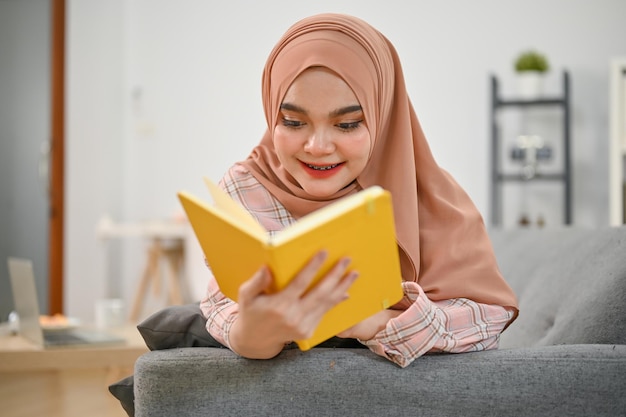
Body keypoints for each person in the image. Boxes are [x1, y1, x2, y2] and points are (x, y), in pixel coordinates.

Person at [200, 12, 518, 368]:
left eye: (347, 124)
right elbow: (224, 309)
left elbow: (487, 321)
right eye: (292, 121)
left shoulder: (430, 197)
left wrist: (375, 320)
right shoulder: (246, 187)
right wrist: (254, 332)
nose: (318, 146)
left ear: (384, 116)